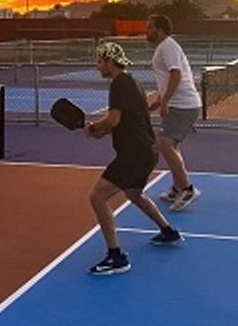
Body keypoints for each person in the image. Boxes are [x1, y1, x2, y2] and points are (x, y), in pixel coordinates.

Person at [86, 41, 183, 276]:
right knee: (133, 193)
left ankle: (116, 256)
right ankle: (168, 231)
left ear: (110, 61)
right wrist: (103, 131)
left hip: (134, 154)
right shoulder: (132, 82)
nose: (98, 66)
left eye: (100, 61)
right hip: (147, 151)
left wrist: (94, 127)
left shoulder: (119, 84)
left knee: (97, 197)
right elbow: (124, 121)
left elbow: (113, 119)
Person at [145, 14, 202, 211]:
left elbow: (176, 74)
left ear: (159, 30)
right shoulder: (165, 47)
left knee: (165, 143)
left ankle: (187, 189)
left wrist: (165, 102)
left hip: (183, 105)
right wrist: (159, 101)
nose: (147, 31)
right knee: (171, 145)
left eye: (150, 27)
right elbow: (169, 79)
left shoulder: (167, 46)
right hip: (180, 104)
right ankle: (178, 188)